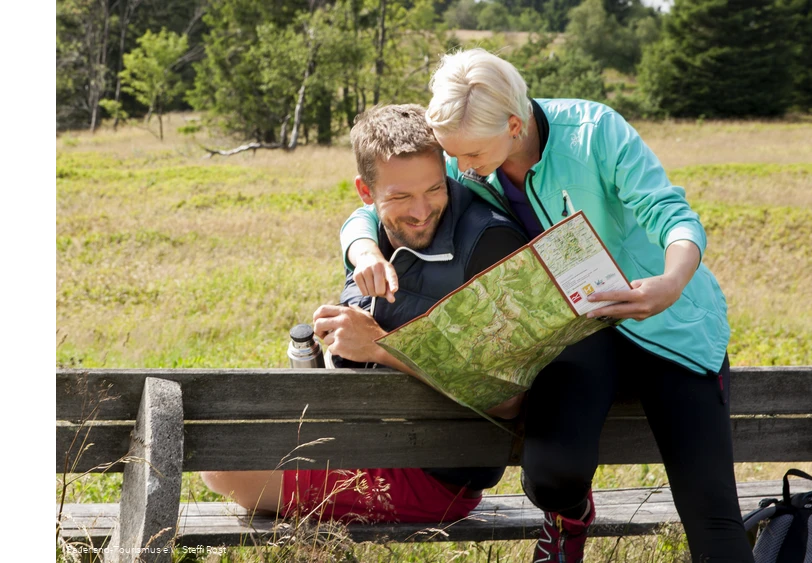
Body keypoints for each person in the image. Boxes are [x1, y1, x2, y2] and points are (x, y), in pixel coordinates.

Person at [339, 49, 755, 562]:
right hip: (579, 331)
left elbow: (674, 216)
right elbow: (372, 205)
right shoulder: (464, 150)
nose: (460, 171)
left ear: (514, 124)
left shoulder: (595, 131)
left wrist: (669, 283)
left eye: (469, 158)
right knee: (551, 472)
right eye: (455, 158)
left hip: (668, 323)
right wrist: (364, 247)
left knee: (711, 511)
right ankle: (568, 521)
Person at [201, 103, 528, 526]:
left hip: (434, 474)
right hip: (366, 439)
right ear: (365, 192)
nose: (421, 211)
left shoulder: (488, 245)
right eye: (400, 196)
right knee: (232, 441)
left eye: (434, 189)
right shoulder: (369, 234)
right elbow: (358, 225)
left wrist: (381, 346)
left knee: (223, 468)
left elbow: (507, 398)